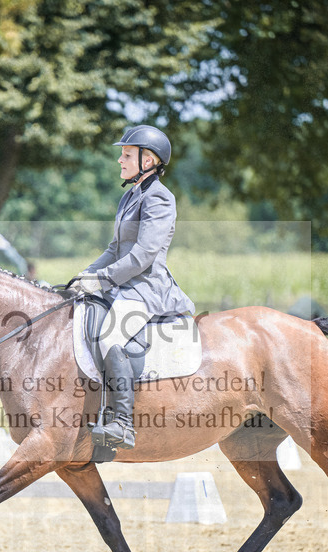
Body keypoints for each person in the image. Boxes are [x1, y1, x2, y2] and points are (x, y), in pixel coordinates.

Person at [68, 124, 194, 450]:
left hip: (146, 288)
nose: (120, 161)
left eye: (126, 155)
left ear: (148, 160)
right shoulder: (129, 196)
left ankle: (122, 423)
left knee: (111, 335)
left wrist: (104, 279)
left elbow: (143, 255)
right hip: (120, 285)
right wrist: (85, 276)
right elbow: (114, 248)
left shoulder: (160, 199)